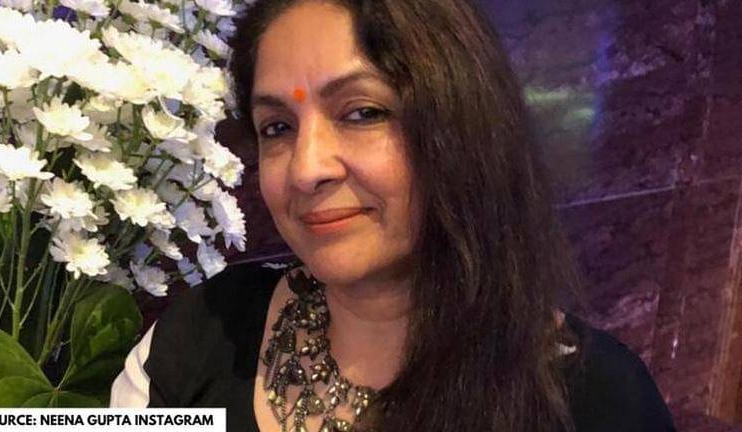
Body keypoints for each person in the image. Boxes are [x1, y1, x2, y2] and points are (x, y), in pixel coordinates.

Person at [111, 0, 677, 431]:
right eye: (277, 127)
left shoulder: (598, 402)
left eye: (362, 113)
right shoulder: (207, 332)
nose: (306, 169)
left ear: (463, 129)